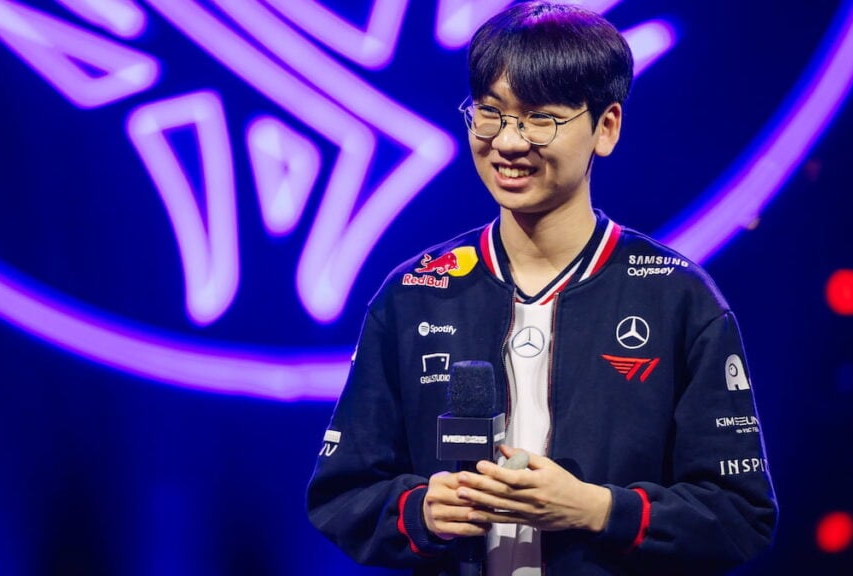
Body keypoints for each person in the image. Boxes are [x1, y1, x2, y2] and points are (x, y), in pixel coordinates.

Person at [307, 2, 777, 574]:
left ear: (606, 127)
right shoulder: (415, 293)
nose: (508, 142)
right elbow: (340, 493)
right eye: (490, 113)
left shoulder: (677, 298)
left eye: (539, 119)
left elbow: (740, 515)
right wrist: (421, 511)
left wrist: (598, 509)